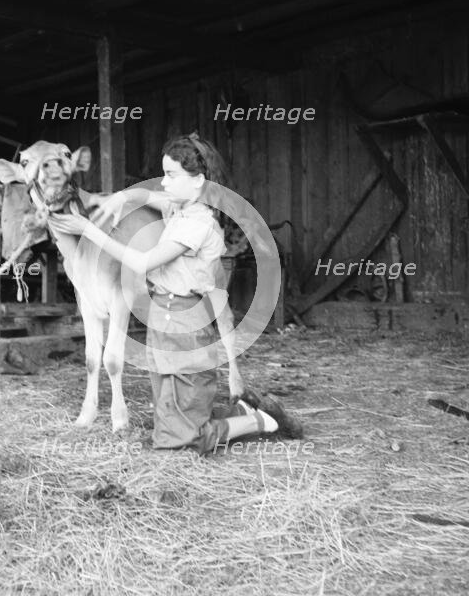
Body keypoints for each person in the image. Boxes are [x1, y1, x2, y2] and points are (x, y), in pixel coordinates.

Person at [47, 134, 302, 454]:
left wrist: (88, 230)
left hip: (186, 329)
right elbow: (145, 196)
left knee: (183, 439)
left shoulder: (197, 224)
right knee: (166, 430)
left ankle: (262, 420)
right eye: (163, 174)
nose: (163, 183)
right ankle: (238, 413)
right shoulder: (177, 209)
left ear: (198, 181)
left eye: (170, 176)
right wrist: (117, 199)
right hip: (161, 326)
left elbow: (141, 262)